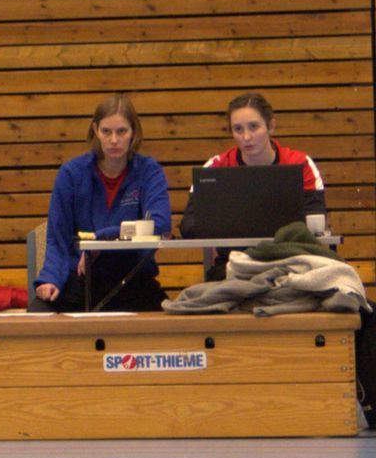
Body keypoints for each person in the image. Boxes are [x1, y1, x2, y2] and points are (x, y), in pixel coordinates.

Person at [34, 94, 171, 312]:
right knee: (38, 312)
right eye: (106, 131)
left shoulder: (149, 172)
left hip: (132, 279)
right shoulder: (71, 174)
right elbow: (58, 238)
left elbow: (160, 225)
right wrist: (50, 279)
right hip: (81, 278)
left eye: (121, 131)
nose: (114, 140)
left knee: (169, 322)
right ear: (96, 130)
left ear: (133, 132)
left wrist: (103, 238)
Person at [196, 92, 327, 279]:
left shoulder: (301, 164)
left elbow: (315, 219)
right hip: (233, 266)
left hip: (291, 263)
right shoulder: (215, 167)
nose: (246, 137)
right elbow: (190, 225)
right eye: (238, 129)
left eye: (254, 127)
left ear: (271, 126)